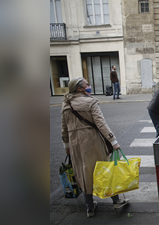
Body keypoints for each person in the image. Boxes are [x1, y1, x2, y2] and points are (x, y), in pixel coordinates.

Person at [61, 77, 129, 218]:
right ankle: (116, 201)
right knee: (104, 169)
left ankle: (89, 207)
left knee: (83, 172)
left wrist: (66, 145)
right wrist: (113, 141)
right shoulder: (90, 102)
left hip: (75, 144)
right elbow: (101, 124)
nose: (89, 86)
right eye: (87, 85)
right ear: (80, 88)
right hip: (91, 141)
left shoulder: (66, 104)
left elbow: (64, 128)